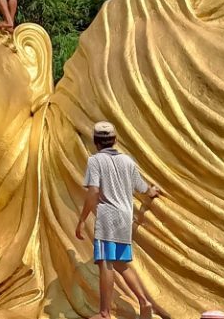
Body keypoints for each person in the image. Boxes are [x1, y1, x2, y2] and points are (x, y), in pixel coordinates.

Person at [76, 121, 161, 319]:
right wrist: (153, 191)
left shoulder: (95, 161)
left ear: (96, 143)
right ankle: (144, 301)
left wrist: (82, 220)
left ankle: (104, 313)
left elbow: (93, 192)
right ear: (114, 141)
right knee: (121, 264)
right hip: (125, 216)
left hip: (108, 217)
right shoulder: (127, 161)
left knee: (106, 261)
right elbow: (143, 188)